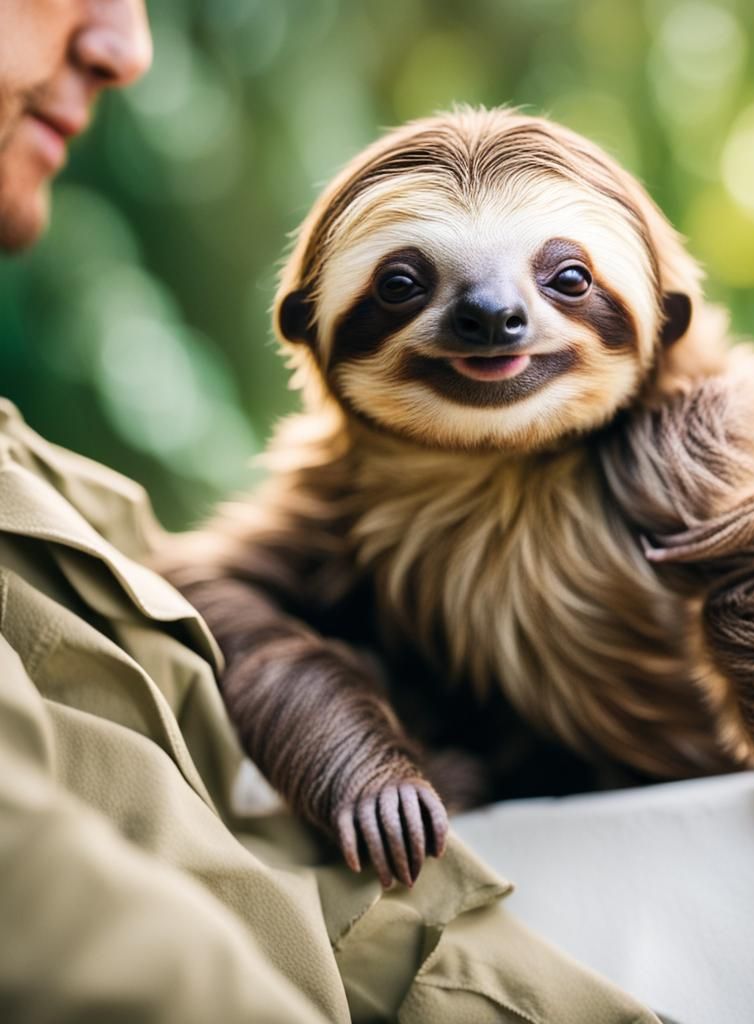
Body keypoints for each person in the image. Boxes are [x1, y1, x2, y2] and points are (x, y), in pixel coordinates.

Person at [0, 3, 669, 1021]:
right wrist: (345, 736)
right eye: (406, 283)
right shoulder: (314, 511)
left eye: (562, 278)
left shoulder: (48, 481)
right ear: (311, 337)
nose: (496, 314)